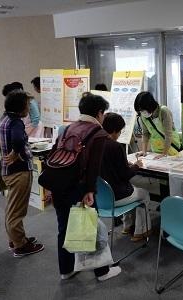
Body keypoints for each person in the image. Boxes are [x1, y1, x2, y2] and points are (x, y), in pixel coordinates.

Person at [51, 93, 121, 281]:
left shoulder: (68, 128)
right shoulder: (97, 133)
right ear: (99, 113)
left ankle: (66, 270)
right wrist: (90, 190)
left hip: (59, 184)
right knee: (91, 227)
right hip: (79, 187)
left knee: (64, 227)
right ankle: (102, 272)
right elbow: (94, 168)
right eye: (103, 113)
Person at [0, 90, 44, 257]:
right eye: (27, 104)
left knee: (12, 208)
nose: (29, 108)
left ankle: (17, 239)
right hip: (18, 172)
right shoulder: (16, 122)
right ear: (21, 106)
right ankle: (20, 246)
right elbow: (17, 139)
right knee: (17, 211)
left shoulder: (4, 118)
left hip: (8, 171)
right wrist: (16, 152)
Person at [100, 112, 152, 242]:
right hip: (117, 195)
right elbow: (125, 175)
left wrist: (124, 164)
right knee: (144, 194)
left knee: (132, 189)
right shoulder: (115, 146)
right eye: (119, 131)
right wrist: (136, 165)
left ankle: (127, 226)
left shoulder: (96, 143)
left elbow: (110, 166)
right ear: (113, 130)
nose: (119, 135)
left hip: (100, 197)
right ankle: (141, 231)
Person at [135, 91, 181, 159]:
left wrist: (164, 154)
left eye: (143, 109)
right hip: (156, 148)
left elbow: (168, 135)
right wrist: (144, 151)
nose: (142, 112)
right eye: (140, 110)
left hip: (171, 147)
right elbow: (145, 134)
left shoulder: (163, 111)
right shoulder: (143, 115)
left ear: (149, 105)